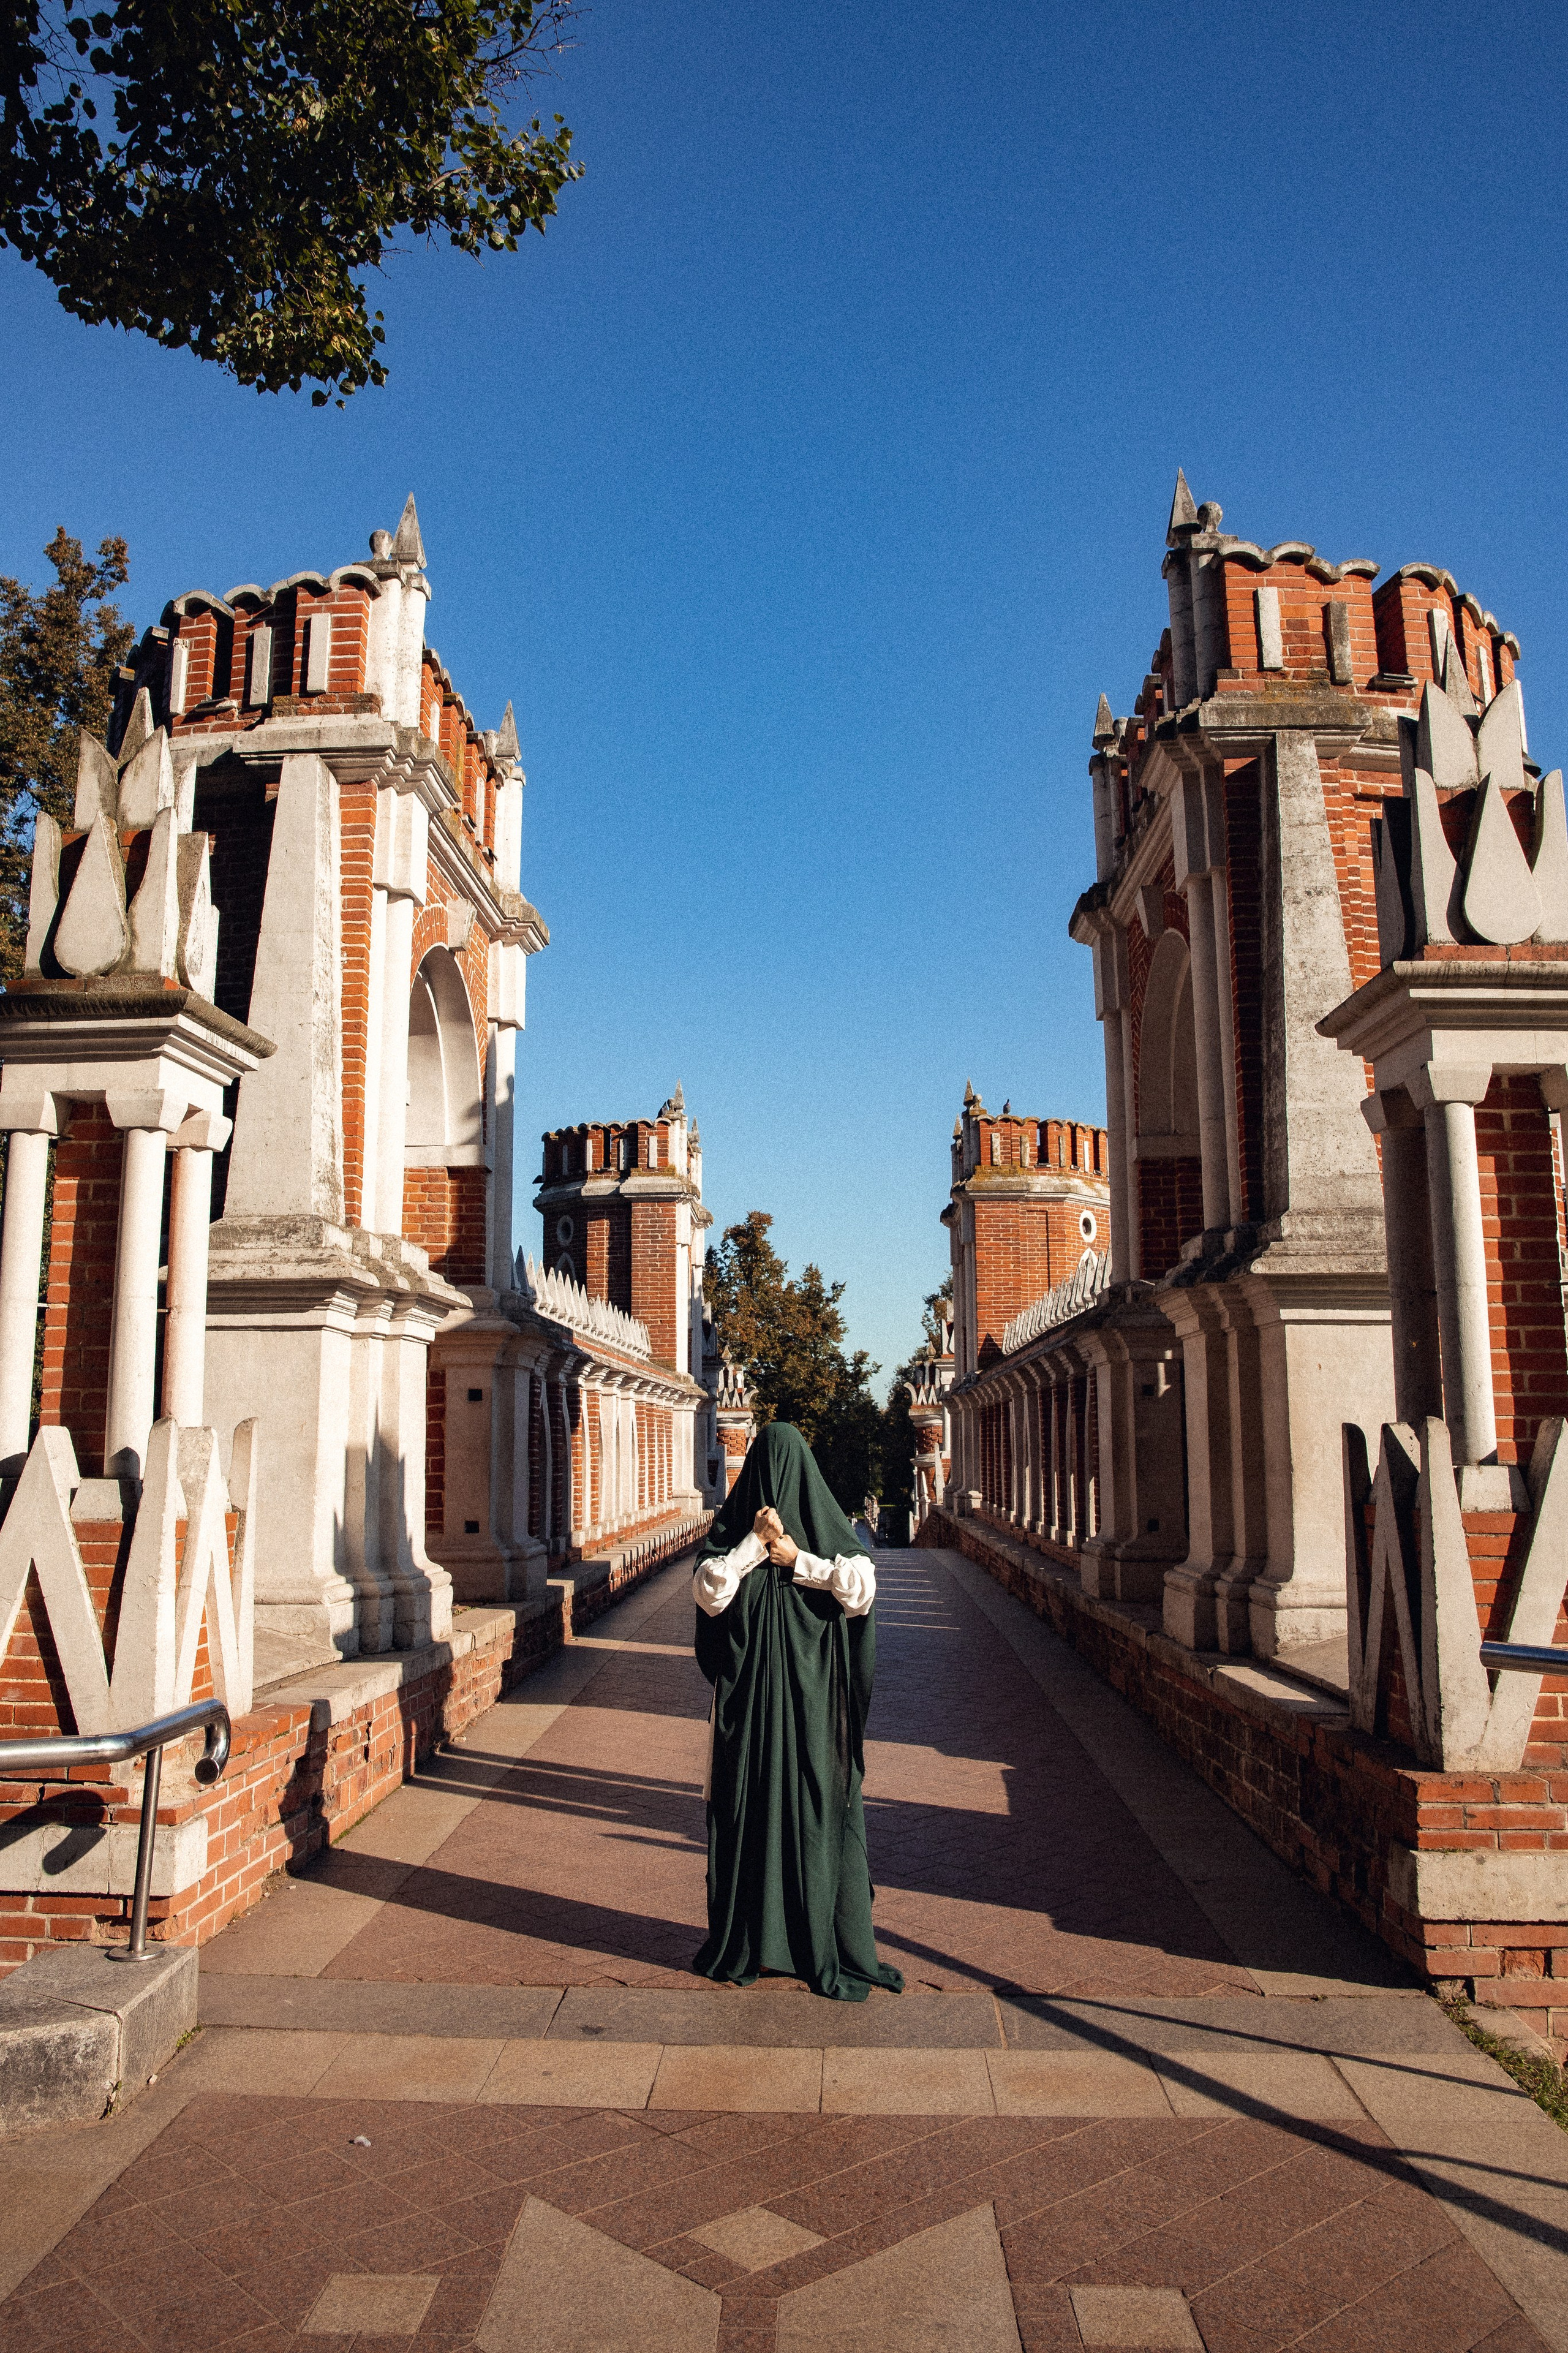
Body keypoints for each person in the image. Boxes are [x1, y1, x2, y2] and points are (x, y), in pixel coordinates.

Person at [690, 1421, 904, 2002]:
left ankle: (814, 1937)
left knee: (813, 1807)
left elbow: (861, 1587)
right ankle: (754, 1940)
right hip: (751, 1717)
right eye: (765, 1467)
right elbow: (708, 1591)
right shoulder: (735, 1536)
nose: (775, 1482)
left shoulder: (823, 1533)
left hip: (812, 1712)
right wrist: (751, 1549)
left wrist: (798, 1558)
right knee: (748, 1810)